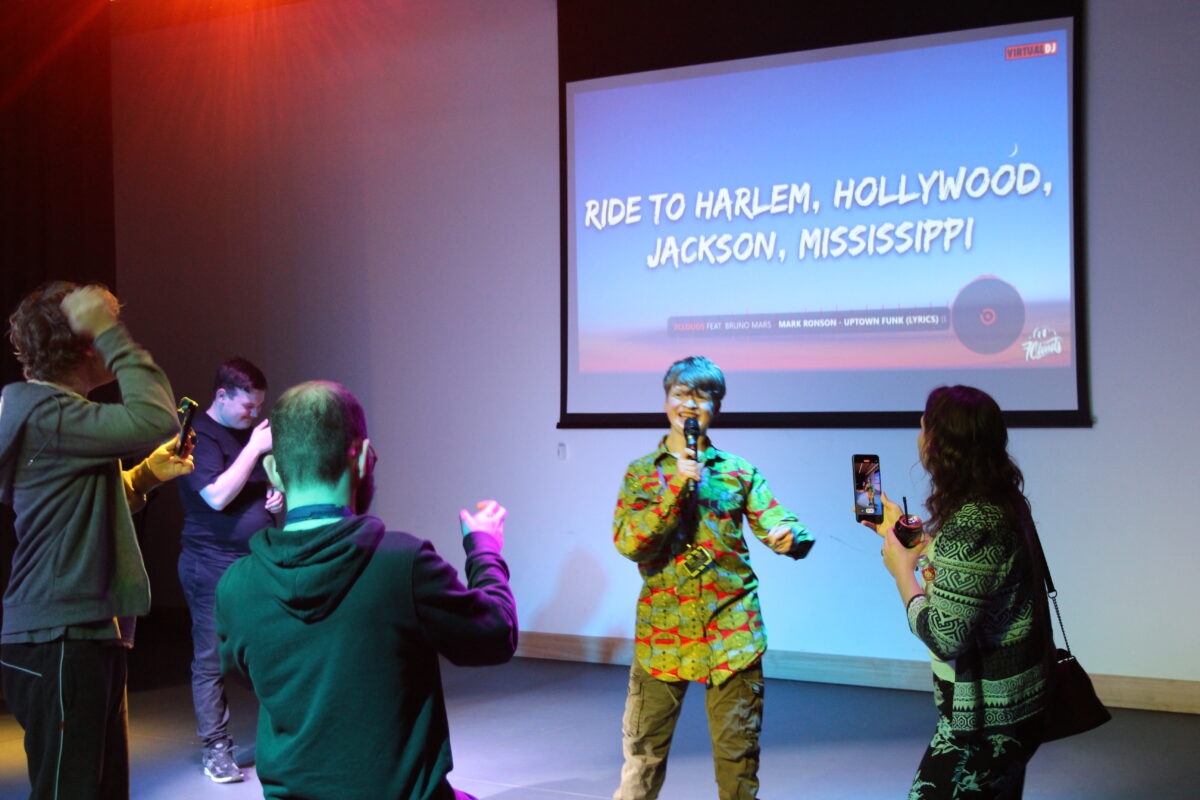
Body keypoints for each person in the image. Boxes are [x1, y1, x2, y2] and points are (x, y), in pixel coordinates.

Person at [215, 380, 518, 800]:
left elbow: (245, 672)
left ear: (272, 471)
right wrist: (484, 549)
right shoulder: (402, 564)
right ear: (361, 459)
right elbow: (495, 635)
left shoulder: (235, 586)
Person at [0, 282, 194, 799]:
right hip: (60, 635)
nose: (117, 337)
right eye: (105, 328)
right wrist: (113, 334)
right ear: (87, 342)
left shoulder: (59, 416)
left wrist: (145, 476)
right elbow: (157, 416)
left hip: (79, 631)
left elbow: (75, 509)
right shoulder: (47, 413)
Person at [612, 355, 814, 800]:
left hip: (732, 633)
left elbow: (777, 518)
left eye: (702, 397)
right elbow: (630, 543)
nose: (689, 404)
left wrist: (789, 536)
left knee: (737, 763)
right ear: (666, 402)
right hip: (661, 637)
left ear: (716, 408)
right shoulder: (643, 473)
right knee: (642, 759)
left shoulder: (739, 471)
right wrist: (674, 489)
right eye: (681, 394)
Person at [866, 385, 1049, 799]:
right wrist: (914, 541)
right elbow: (970, 584)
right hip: (1015, 707)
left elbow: (946, 634)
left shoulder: (973, 521)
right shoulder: (999, 503)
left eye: (923, 425)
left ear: (936, 443)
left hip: (987, 720)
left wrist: (902, 572)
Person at [175, 357, 281, 783]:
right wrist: (255, 447)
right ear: (221, 395)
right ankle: (216, 749)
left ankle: (284, 734)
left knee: (269, 646)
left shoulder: (242, 435)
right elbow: (216, 497)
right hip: (210, 562)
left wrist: (273, 499)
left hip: (253, 560)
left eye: (258, 407)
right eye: (247, 406)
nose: (253, 415)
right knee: (210, 658)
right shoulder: (197, 435)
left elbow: (250, 490)